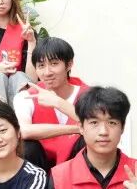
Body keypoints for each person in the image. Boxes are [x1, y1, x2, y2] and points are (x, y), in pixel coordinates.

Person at [13, 37, 88, 171]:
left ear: (69, 65)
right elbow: (23, 131)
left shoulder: (88, 95)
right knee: (26, 146)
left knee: (87, 140)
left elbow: (96, 124)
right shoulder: (25, 96)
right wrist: (76, 129)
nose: (47, 72)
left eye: (54, 63)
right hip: (41, 164)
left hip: (75, 165)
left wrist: (57, 102)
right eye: (41, 66)